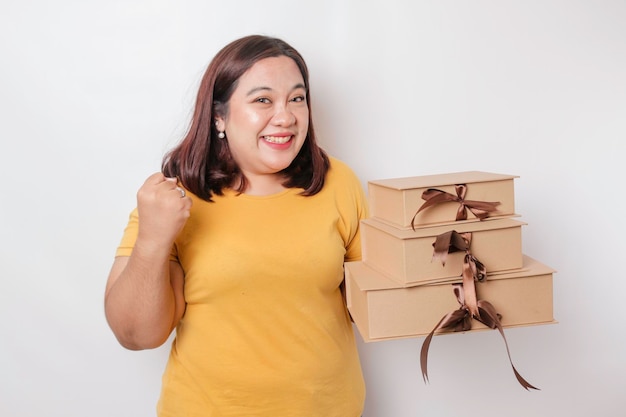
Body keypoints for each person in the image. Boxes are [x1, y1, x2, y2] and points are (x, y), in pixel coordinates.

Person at [104, 34, 368, 416]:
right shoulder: (175, 198)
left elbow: (373, 305)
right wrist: (153, 239)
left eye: (297, 98)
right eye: (263, 100)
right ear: (219, 116)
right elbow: (136, 336)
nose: (286, 116)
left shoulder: (338, 182)